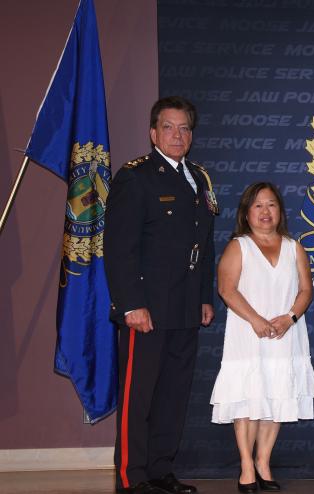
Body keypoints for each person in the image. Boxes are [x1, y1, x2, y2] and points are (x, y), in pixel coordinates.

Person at [105, 96, 217, 494]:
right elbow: (119, 249)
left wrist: (205, 295)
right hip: (146, 308)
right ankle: (131, 478)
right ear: (153, 133)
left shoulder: (199, 178)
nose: (177, 135)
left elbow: (204, 244)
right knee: (139, 397)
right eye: (168, 127)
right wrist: (131, 303)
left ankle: (160, 470)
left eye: (184, 128)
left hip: (185, 306)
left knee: (173, 395)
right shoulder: (135, 177)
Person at [210, 182, 314, 493]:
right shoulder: (238, 246)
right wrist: (256, 320)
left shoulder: (294, 247)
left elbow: (306, 290)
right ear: (246, 213)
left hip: (286, 334)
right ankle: (246, 466)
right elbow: (226, 289)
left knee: (278, 396)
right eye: (257, 205)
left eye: (271, 204)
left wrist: (290, 318)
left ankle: (263, 462)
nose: (265, 211)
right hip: (247, 334)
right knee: (248, 399)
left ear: (280, 211)